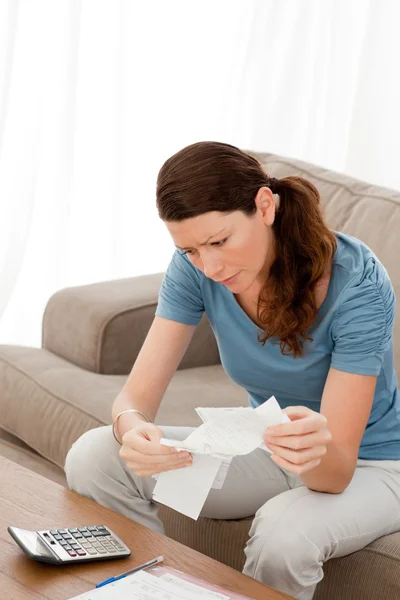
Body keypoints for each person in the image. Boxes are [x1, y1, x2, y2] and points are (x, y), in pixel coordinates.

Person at [65, 141, 400, 600]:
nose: (211, 266)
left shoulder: (357, 282)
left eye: (220, 241)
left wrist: (300, 444)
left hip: (369, 464)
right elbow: (133, 400)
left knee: (285, 531)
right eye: (192, 250)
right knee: (96, 455)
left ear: (265, 206)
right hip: (269, 446)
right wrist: (133, 429)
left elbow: (335, 471)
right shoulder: (195, 267)